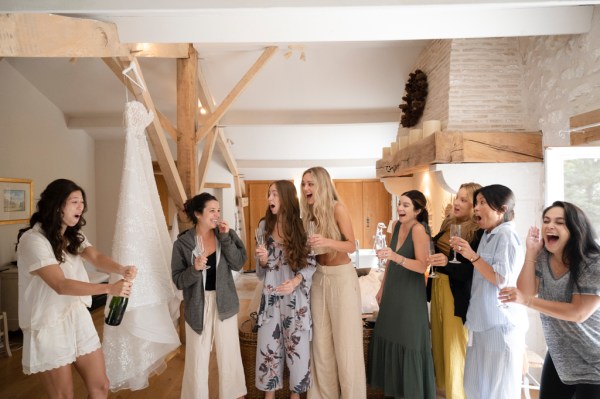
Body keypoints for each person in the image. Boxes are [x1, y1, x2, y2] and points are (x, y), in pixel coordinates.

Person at [16, 179, 136, 399]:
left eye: (82, 202)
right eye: (74, 202)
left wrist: (122, 268)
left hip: (77, 316)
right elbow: (60, 285)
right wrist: (110, 288)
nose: (81, 207)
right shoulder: (32, 240)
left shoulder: (72, 235)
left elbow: (96, 257)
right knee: (64, 396)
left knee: (101, 386)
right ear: (57, 205)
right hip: (48, 324)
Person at [504, 201, 600, 398]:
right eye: (546, 221)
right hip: (559, 354)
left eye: (559, 222)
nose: (549, 226)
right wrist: (531, 252)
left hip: (594, 359)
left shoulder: (593, 261)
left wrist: (528, 302)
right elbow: (526, 291)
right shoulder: (543, 257)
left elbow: (578, 312)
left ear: (576, 229)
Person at [451, 184, 528, 399]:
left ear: (502, 209)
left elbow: (502, 279)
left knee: (497, 391)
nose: (476, 208)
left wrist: (471, 256)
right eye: (476, 203)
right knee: (475, 388)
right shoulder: (488, 234)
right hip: (481, 322)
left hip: (499, 325)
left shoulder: (507, 237)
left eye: (482, 203)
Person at [171, 193, 247, 399]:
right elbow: (178, 280)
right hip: (197, 305)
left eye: (218, 210)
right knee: (197, 358)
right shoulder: (183, 244)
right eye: (211, 210)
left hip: (225, 303)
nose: (217, 214)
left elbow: (239, 262)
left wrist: (225, 237)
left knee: (229, 355)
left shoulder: (226, 235)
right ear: (198, 214)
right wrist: (194, 269)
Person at [300, 166, 366, 399]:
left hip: (341, 278)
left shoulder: (337, 208)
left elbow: (351, 245)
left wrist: (327, 240)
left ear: (322, 185)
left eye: (311, 183)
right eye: (304, 184)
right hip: (319, 278)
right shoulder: (307, 214)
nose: (306, 188)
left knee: (347, 346)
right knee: (321, 345)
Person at [368, 190, 436, 399]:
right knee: (391, 337)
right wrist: (382, 288)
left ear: (418, 210)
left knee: (409, 344)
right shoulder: (397, 226)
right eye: (400, 204)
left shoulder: (418, 230)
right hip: (393, 291)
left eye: (406, 205)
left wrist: (396, 257)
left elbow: (422, 265)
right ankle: (397, 392)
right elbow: (388, 260)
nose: (400, 208)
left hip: (410, 296)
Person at [255, 180, 317, 398]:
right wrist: (262, 261)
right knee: (268, 350)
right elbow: (261, 272)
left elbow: (311, 264)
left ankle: (295, 395)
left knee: (298, 352)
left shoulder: (302, 227)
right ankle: (269, 396)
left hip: (295, 299)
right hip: (271, 297)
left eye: (275, 194)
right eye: (269, 194)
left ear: (287, 198)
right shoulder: (264, 226)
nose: (270, 198)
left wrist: (295, 281)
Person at [428, 182, 483, 399]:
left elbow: (471, 271)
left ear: (475, 206)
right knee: (439, 345)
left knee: (454, 348)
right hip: (437, 286)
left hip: (456, 293)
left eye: (463, 200)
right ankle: (444, 393)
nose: (456, 203)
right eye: (456, 198)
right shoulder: (448, 222)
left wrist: (445, 263)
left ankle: (457, 395)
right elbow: (436, 248)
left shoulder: (477, 232)